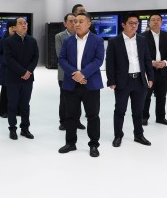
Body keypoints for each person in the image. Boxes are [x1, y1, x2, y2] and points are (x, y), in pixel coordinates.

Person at [58, 12, 105, 157]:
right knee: (70, 115)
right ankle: (70, 143)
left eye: (80, 21)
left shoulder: (97, 40)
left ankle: (94, 145)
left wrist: (83, 74)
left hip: (91, 83)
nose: (76, 24)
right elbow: (62, 59)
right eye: (75, 21)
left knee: (93, 116)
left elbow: (98, 60)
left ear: (89, 24)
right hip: (71, 83)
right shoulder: (68, 40)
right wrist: (76, 74)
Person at [105, 13, 154, 148]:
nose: (134, 26)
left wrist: (150, 77)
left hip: (139, 81)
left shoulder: (142, 40)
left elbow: (147, 59)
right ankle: (118, 135)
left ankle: (138, 135)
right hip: (123, 81)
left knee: (138, 111)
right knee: (120, 110)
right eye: (131, 23)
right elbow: (110, 63)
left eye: (136, 23)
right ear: (123, 25)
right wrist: (111, 80)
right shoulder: (114, 41)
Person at [3, 16, 39, 140]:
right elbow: (9, 59)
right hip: (13, 78)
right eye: (20, 23)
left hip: (28, 78)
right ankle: (12, 129)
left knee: (25, 105)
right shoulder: (8, 41)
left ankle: (25, 129)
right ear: (14, 27)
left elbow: (35, 57)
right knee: (12, 105)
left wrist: (29, 71)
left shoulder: (32, 41)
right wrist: (23, 71)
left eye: (25, 23)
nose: (24, 25)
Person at [143, 13, 167, 126]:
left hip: (164, 71)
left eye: (158, 20)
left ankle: (161, 118)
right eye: (153, 20)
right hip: (149, 72)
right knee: (146, 96)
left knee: (162, 96)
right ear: (149, 22)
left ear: (161, 22)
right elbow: (140, 54)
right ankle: (144, 117)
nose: (156, 22)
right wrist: (151, 62)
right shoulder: (142, 37)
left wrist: (165, 62)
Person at [55, 13, 86, 131]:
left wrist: (80, 72)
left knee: (78, 97)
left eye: (75, 21)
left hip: (80, 74)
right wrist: (75, 71)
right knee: (65, 98)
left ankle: (76, 121)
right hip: (65, 74)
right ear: (65, 23)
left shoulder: (81, 36)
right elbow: (60, 56)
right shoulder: (59, 36)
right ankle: (63, 121)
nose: (74, 23)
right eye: (71, 21)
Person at [0, 19, 16, 118]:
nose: (14, 29)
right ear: (8, 28)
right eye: (12, 27)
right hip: (6, 69)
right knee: (5, 90)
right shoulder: (3, 40)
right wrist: (5, 61)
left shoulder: (20, 39)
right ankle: (3, 111)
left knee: (16, 90)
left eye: (15, 27)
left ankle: (17, 110)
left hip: (17, 69)